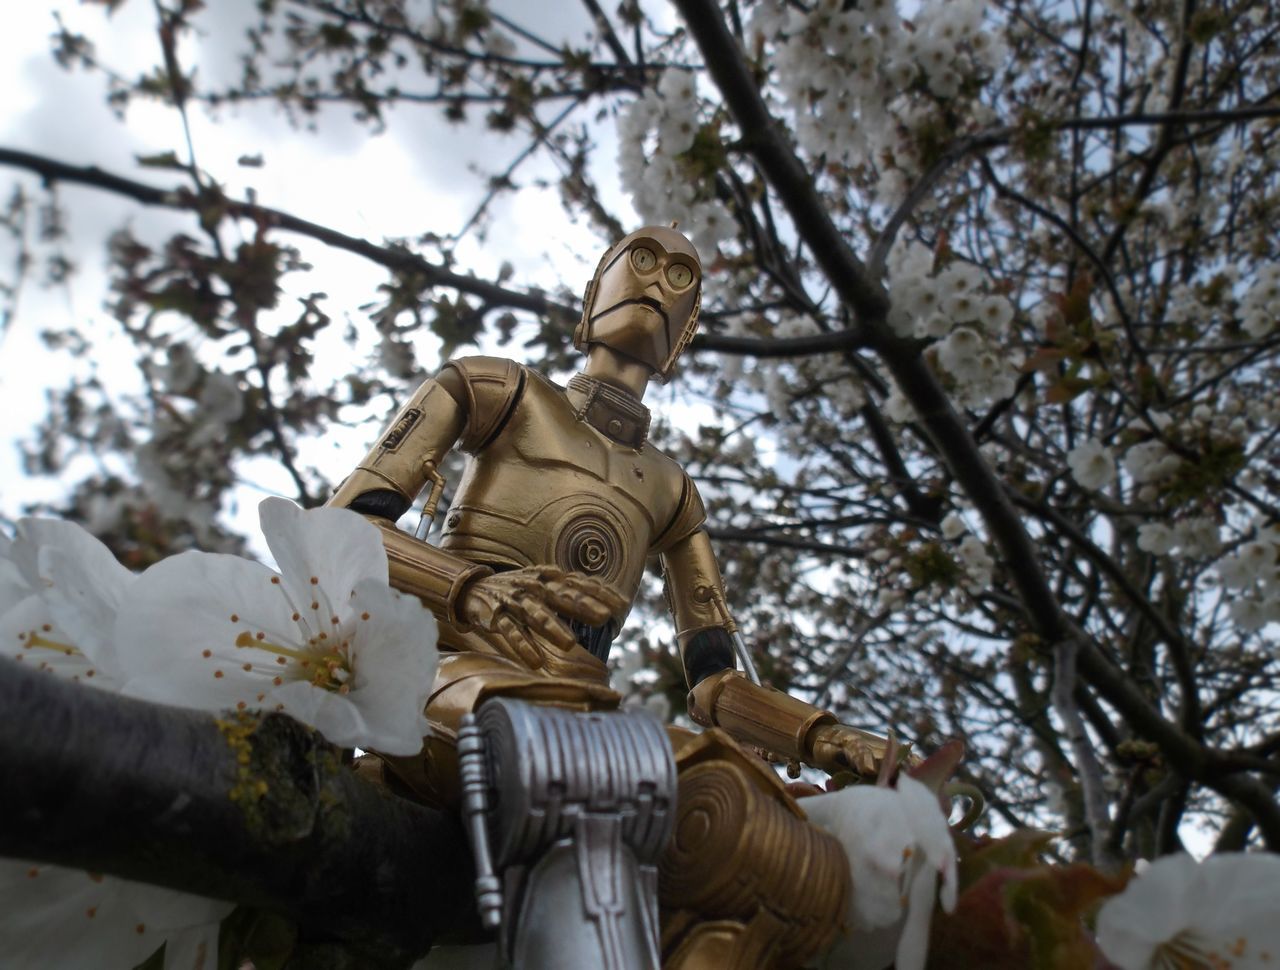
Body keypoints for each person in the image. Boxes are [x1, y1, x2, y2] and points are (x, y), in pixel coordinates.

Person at [330, 226, 891, 967]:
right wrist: (467, 590)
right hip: (453, 683)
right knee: (587, 766)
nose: (661, 282)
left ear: (684, 336)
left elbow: (716, 679)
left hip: (590, 715)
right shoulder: (493, 389)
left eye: (684, 277)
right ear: (590, 297)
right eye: (645, 262)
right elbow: (346, 525)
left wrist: (825, 738)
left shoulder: (671, 490)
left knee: (759, 824)